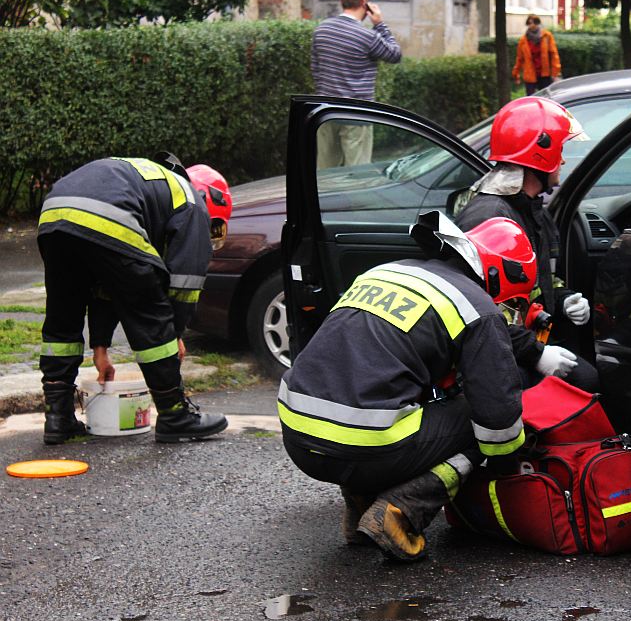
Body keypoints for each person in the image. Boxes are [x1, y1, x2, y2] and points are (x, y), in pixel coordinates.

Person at [279, 211, 535, 561]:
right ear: (501, 276)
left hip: (298, 437)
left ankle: (360, 507)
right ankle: (400, 513)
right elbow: (497, 415)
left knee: (383, 402)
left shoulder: (386, 272)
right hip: (364, 445)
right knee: (483, 426)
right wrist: (509, 468)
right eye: (513, 302)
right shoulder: (477, 307)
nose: (509, 310)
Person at [37, 154, 232, 445]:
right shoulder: (193, 201)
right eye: (215, 226)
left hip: (54, 215)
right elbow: (184, 283)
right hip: (106, 216)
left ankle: (58, 418)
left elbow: (107, 284)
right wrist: (174, 332)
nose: (210, 232)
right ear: (210, 199)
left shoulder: (149, 182)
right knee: (149, 309)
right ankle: (175, 415)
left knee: (62, 314)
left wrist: (100, 346)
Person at [455, 96, 598, 393]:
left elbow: (538, 281)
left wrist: (565, 298)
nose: (562, 161)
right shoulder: (490, 218)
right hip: (493, 352)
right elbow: (478, 312)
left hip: (520, 340)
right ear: (540, 156)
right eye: (559, 151)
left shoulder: (533, 211)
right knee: (584, 383)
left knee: (586, 378)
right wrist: (536, 354)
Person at [311, 0, 402, 168]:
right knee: (357, 172)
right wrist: (379, 24)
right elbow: (395, 54)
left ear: (342, 1)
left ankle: (325, 198)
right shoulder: (366, 36)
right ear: (365, 2)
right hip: (356, 112)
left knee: (325, 171)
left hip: (325, 109)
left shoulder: (321, 30)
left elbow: (316, 70)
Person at [512, 15, 561, 95]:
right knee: (531, 98)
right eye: (530, 23)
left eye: (535, 22)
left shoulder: (547, 36)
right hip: (530, 74)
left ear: (538, 23)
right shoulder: (523, 40)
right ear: (527, 24)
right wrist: (516, 73)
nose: (533, 25)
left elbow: (554, 55)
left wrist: (555, 72)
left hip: (544, 73)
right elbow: (520, 58)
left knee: (546, 97)